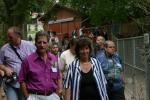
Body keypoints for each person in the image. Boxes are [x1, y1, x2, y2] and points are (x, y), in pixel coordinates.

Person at [19, 31, 62, 100]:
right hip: (34, 96)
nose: (42, 45)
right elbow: (22, 80)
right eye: (39, 42)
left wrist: (58, 92)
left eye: (44, 42)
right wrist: (27, 98)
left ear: (48, 44)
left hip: (52, 96)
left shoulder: (53, 59)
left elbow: (57, 75)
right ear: (35, 43)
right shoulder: (27, 61)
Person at [0, 26, 36, 100]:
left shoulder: (30, 46)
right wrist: (6, 69)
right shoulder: (4, 49)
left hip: (26, 83)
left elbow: (37, 61)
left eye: (10, 37)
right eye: (8, 37)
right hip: (11, 83)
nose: (8, 39)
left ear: (18, 36)